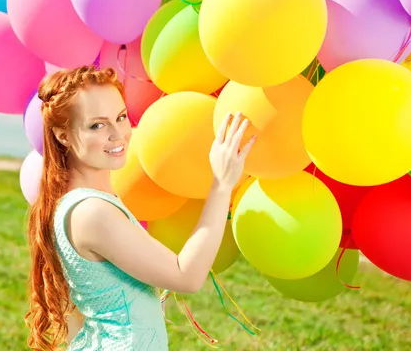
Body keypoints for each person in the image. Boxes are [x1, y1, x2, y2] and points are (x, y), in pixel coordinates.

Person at [25, 65, 256, 351]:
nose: (118, 134)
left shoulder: (76, 203)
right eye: (97, 125)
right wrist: (222, 184)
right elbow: (187, 276)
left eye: (121, 117)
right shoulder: (91, 212)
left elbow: (78, 310)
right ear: (63, 136)